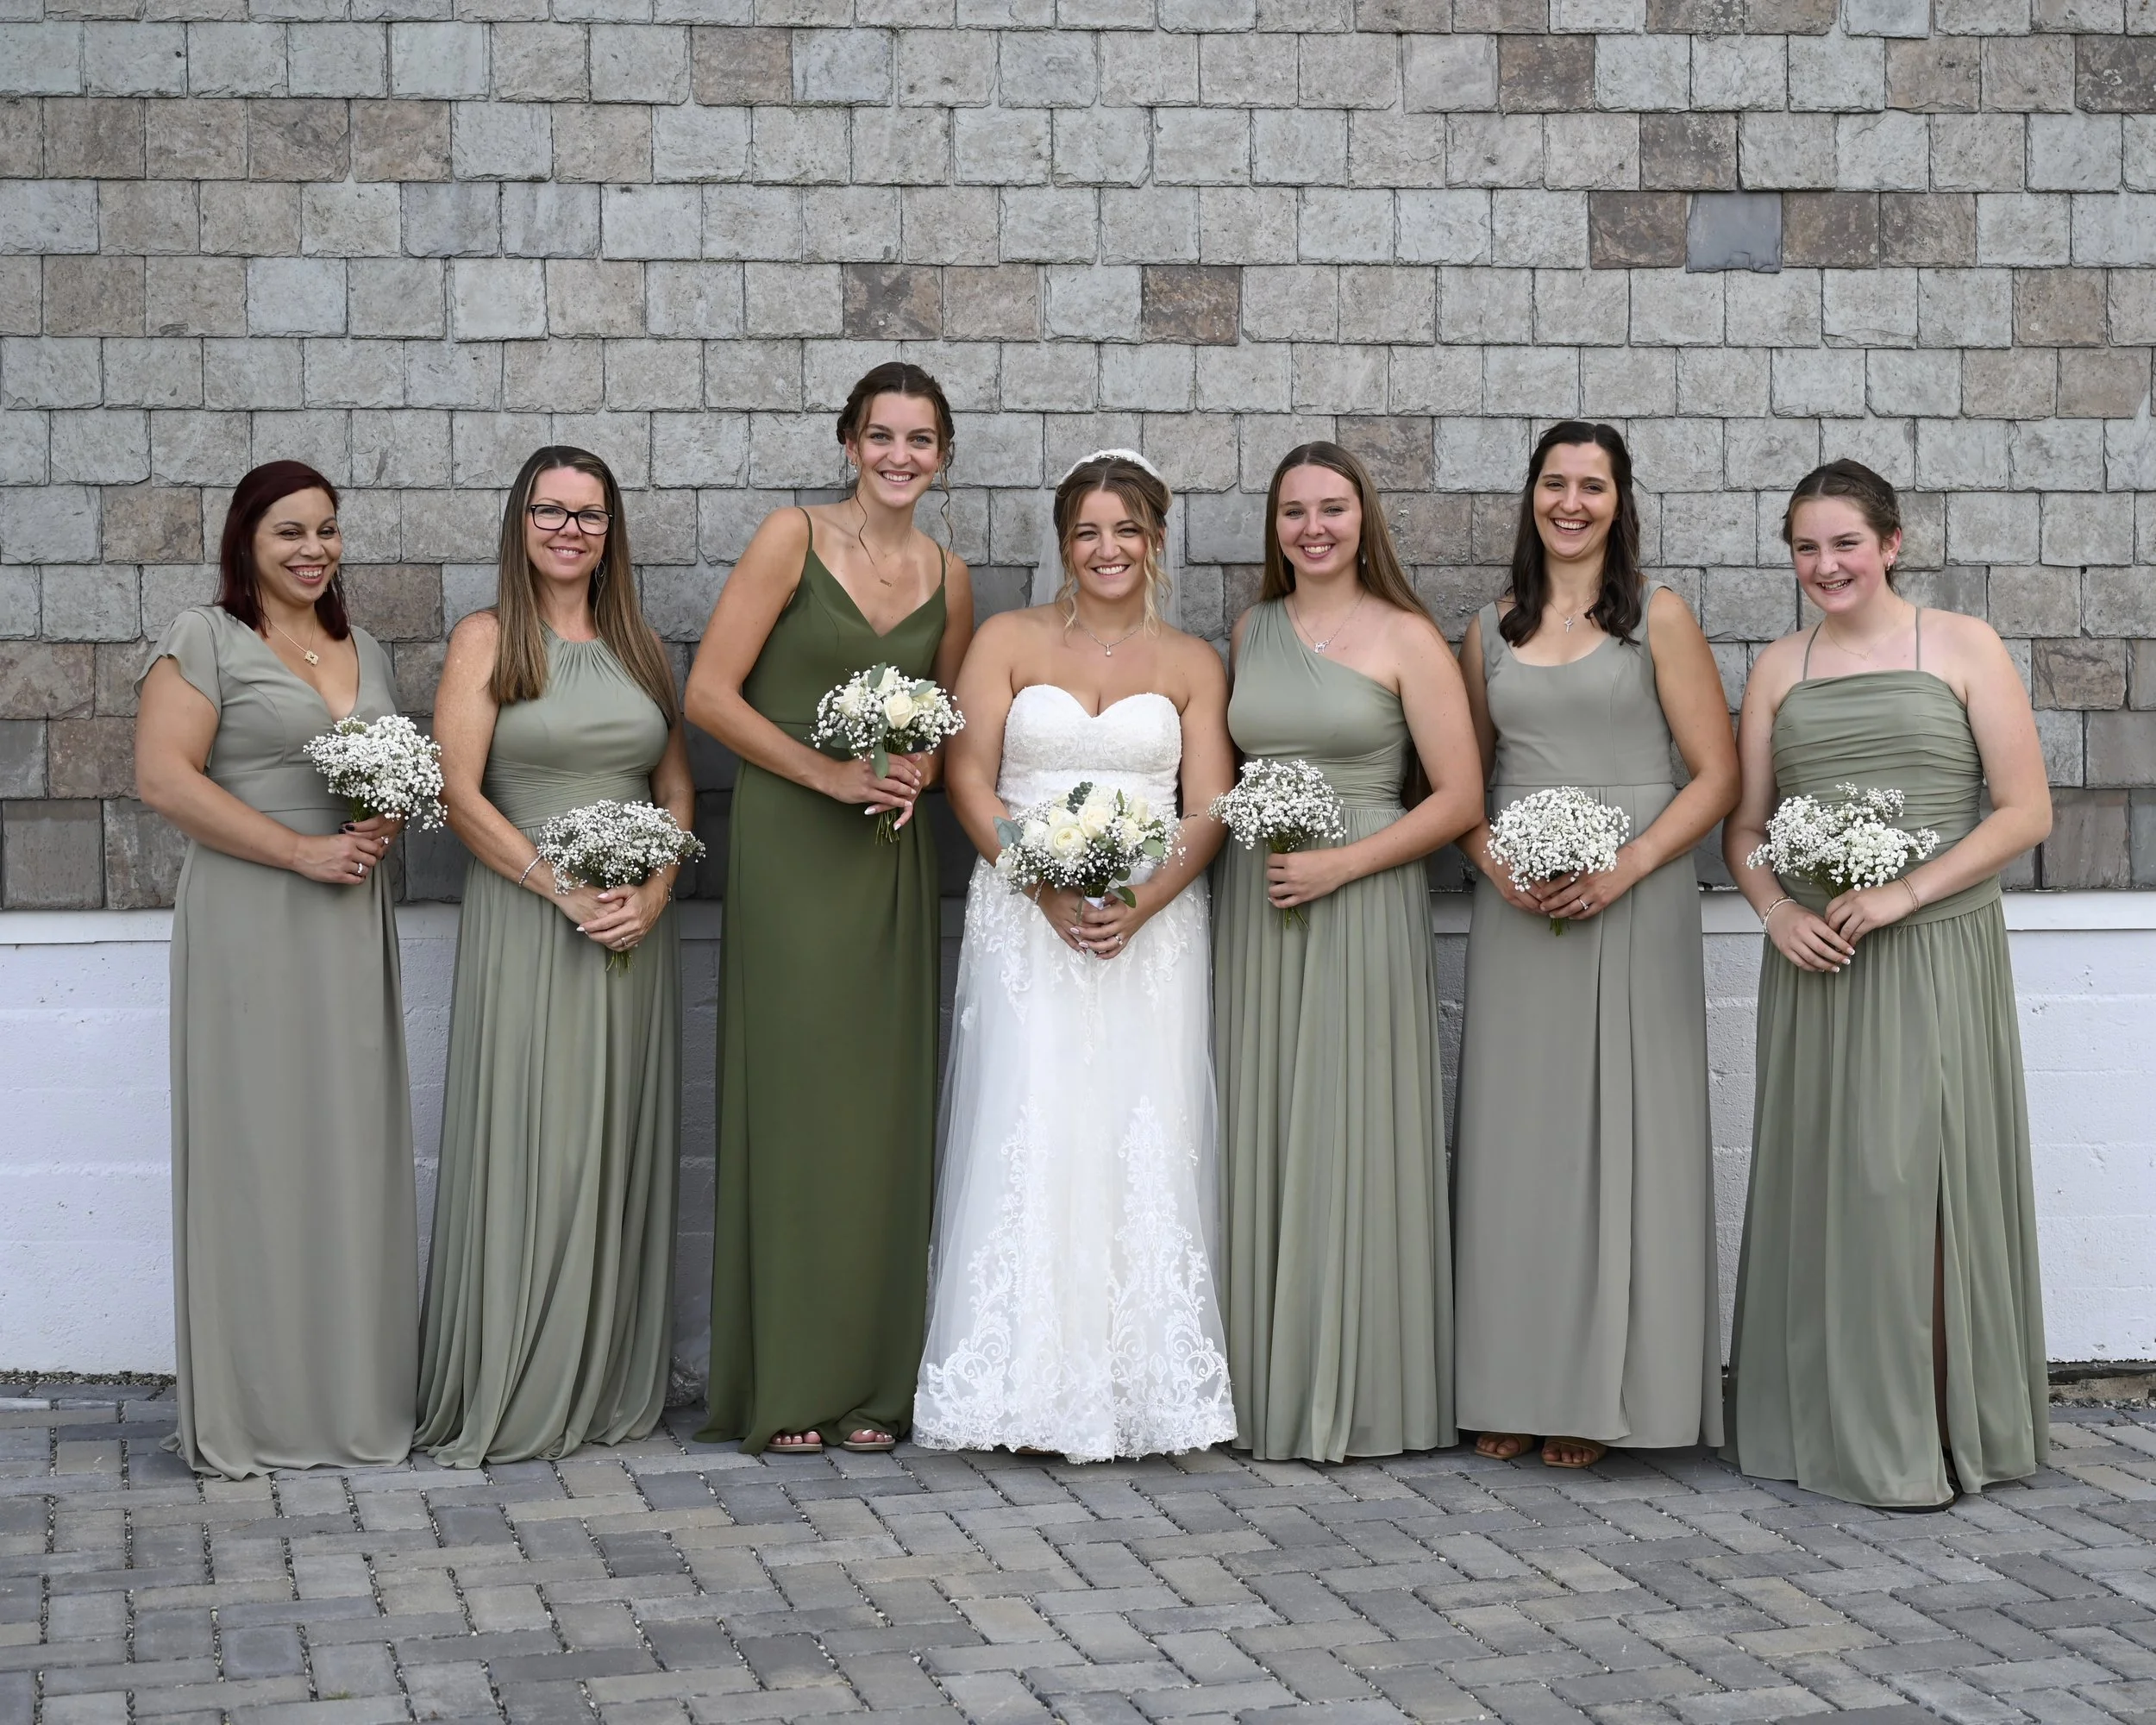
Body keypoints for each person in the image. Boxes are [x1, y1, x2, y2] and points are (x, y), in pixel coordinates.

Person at [1722, 459, 2052, 1510]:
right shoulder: (1778, 665)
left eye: (1846, 544)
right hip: (1820, 960)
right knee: (1836, 1184)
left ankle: (1944, 1426)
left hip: (1934, 948)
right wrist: (1777, 911)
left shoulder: (1962, 645)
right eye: (1806, 548)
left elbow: (2023, 811)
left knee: (1918, 1183)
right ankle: (1838, 1417)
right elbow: (1743, 829)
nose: (1826, 565)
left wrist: (1906, 892)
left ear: (1892, 543)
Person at [914, 451, 1238, 1463]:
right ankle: (1015, 1379)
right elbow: (967, 778)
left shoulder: (1190, 661)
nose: (1109, 549)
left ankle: (1140, 1385)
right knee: (1031, 1120)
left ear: (1155, 542)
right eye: (1090, 531)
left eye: (1128, 530)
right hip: (1027, 918)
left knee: (1139, 1130)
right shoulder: (1007, 640)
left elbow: (1210, 807)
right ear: (1064, 543)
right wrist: (1038, 880)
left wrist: (1139, 901)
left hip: (1151, 927)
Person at [687, 362, 975, 1456]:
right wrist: (828, 774)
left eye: (921, 440)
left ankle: (872, 1386)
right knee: (798, 1097)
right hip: (794, 845)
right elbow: (708, 694)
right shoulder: (788, 540)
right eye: (881, 436)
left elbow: (945, 728)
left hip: (887, 860)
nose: (900, 457)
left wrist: (915, 773)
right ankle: (788, 1381)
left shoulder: (950, 577)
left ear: (942, 457)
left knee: (880, 1112)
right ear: (847, 444)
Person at [1451, 422, 1739, 1471]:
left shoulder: (1656, 617)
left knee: (1626, 1138)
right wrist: (1493, 864)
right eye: (1554, 483)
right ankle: (1510, 1379)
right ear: (1529, 494)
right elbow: (1457, 781)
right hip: (1519, 903)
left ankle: (1601, 1391)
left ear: (1620, 503)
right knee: (1517, 1141)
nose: (1571, 502)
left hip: (1636, 893)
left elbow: (1715, 773)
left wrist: (1625, 865)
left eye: (1593, 485)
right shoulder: (1487, 628)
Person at [134, 461, 417, 1477]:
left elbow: (393, 770)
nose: (313, 550)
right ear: (246, 541)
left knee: (346, 1148)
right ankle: (252, 1409)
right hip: (252, 913)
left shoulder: (365, 647)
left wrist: (380, 818)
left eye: (328, 531)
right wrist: (300, 849)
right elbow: (162, 777)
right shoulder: (204, 638)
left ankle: (346, 1397)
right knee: (253, 1149)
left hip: (348, 913)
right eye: (289, 532)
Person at [417, 446, 694, 1467]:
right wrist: (559, 888)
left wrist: (653, 892)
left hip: (630, 930)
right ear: (520, 521)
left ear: (610, 531)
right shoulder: (487, 639)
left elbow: (675, 789)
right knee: (536, 1139)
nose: (570, 528)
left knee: (610, 1141)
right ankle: (517, 1373)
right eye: (551, 509)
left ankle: (601, 1371)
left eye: (589, 514)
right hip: (530, 922)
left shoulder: (639, 647)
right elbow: (458, 794)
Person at [1213, 442, 1482, 1464]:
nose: (1312, 528)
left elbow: (1458, 797)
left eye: (1331, 509)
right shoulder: (1251, 627)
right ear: (1274, 527)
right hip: (1258, 897)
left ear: (1363, 518)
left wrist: (1345, 864)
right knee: (1265, 1121)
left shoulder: (1408, 637)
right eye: (1293, 512)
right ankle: (1260, 1377)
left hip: (1361, 898)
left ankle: (1360, 1386)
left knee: (1349, 1125)